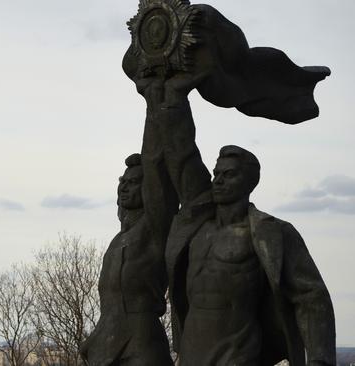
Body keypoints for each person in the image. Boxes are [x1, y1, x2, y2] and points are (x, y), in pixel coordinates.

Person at [137, 75, 336, 366]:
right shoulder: (196, 222)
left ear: (249, 182)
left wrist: (320, 360)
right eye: (217, 174)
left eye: (228, 175)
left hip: (238, 355)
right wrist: (169, 99)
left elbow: (311, 297)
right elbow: (182, 154)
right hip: (191, 355)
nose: (217, 181)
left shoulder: (271, 233)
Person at [79, 149, 176, 366]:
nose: (124, 187)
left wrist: (159, 116)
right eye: (123, 181)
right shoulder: (117, 241)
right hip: (106, 344)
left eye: (133, 182)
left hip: (142, 344)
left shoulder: (155, 229)